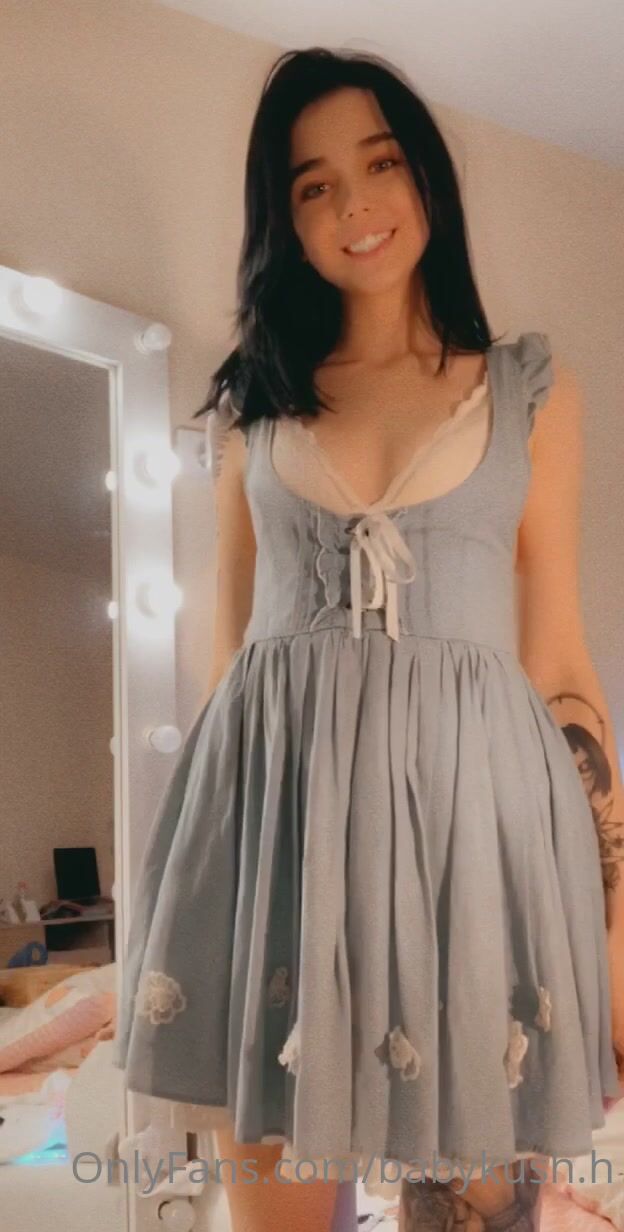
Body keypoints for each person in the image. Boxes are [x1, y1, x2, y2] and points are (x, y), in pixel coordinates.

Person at [113, 47, 624, 1232]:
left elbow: (558, 659)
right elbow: (231, 654)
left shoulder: (530, 392)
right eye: (313, 184)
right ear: (285, 220)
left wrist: (611, 909)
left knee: (482, 1213)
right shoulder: (255, 405)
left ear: (427, 178)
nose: (354, 204)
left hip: (477, 843)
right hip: (281, 841)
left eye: (380, 163)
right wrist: (224, 860)